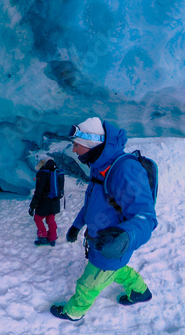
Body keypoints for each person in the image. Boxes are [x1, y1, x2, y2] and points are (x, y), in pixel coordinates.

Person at [50, 117, 158, 321]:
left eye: (76, 145)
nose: (74, 150)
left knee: (88, 284)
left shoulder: (125, 170)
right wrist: (77, 225)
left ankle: (74, 312)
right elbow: (93, 203)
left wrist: (124, 239)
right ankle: (140, 291)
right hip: (103, 242)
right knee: (117, 270)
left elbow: (146, 217)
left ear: (91, 145)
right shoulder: (101, 167)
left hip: (111, 245)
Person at [28, 158, 63, 246]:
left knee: (38, 218)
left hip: (44, 202)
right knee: (51, 220)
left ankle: (43, 236)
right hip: (55, 202)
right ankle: (52, 238)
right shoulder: (56, 173)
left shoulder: (42, 174)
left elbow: (38, 192)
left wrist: (32, 206)